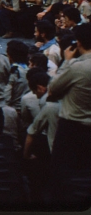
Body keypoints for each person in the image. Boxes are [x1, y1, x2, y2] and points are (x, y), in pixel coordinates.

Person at [46, 23, 91, 203]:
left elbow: (53, 88)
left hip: (73, 127)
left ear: (78, 43)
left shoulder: (76, 67)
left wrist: (66, 61)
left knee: (62, 173)